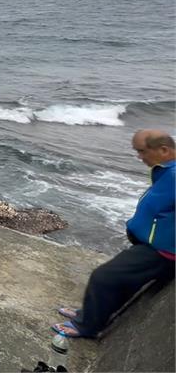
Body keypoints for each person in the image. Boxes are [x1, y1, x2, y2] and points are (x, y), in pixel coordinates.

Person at [52, 129, 175, 338]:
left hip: (164, 250)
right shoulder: (167, 169)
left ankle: (86, 327)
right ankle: (90, 314)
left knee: (103, 277)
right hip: (153, 243)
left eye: (142, 152)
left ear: (163, 149)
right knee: (121, 281)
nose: (140, 157)